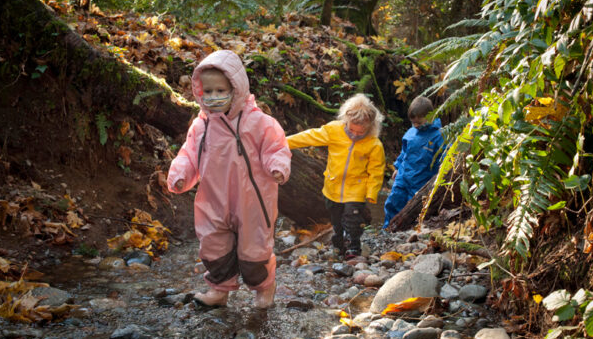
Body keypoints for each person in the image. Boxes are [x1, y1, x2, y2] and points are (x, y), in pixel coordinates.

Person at [167, 50, 291, 309]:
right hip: (213, 198)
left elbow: (276, 147)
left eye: (220, 90)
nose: (213, 97)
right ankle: (219, 290)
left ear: (237, 88)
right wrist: (180, 175)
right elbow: (189, 154)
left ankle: (264, 288)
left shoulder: (258, 122)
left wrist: (277, 166)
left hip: (253, 199)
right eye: (208, 92)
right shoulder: (201, 126)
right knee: (214, 246)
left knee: (254, 250)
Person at [287, 94, 385, 258]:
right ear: (345, 119)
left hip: (356, 188)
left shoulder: (374, 144)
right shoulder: (334, 130)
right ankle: (338, 245)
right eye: (352, 129)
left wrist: (371, 192)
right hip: (333, 187)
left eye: (361, 132)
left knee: (352, 218)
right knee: (337, 221)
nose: (355, 134)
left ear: (370, 127)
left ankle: (354, 247)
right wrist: (283, 141)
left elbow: (376, 170)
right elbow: (309, 136)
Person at [383, 96, 445, 229]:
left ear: (430, 116)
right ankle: (387, 227)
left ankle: (409, 230)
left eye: (419, 122)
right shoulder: (411, 133)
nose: (416, 125)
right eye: (413, 122)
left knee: (412, 206)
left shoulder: (439, 136)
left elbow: (444, 159)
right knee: (393, 201)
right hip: (403, 176)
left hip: (421, 179)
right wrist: (397, 167)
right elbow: (404, 152)